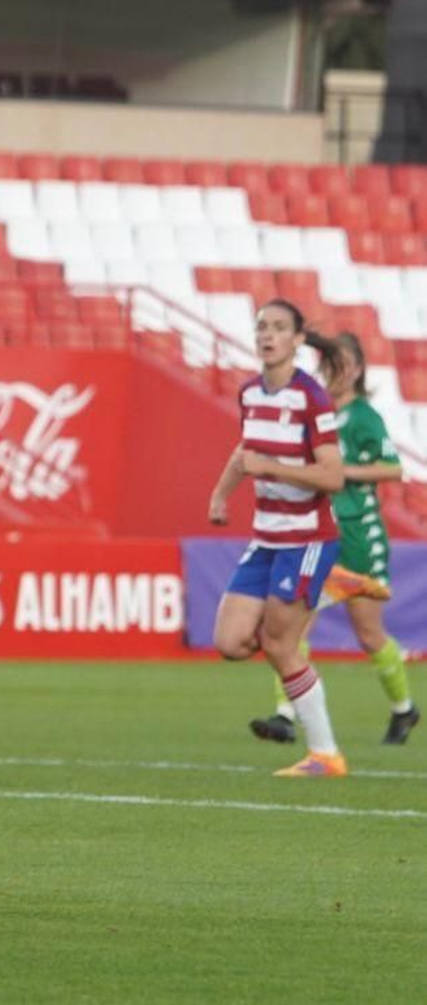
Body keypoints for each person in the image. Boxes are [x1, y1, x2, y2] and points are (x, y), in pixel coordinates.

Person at [248, 330, 417, 746]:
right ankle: (285, 714)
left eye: (341, 363)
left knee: (368, 634)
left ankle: (404, 709)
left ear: (357, 369)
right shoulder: (314, 411)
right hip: (315, 534)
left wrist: (342, 474)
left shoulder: (363, 417)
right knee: (291, 630)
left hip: (359, 536)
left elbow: (393, 469)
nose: (332, 370)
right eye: (328, 363)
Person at [209, 299, 349, 777]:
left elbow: (333, 476)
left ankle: (325, 755)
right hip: (266, 537)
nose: (267, 335)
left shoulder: (311, 398)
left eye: (278, 328)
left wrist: (270, 468)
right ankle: (320, 598)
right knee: (230, 641)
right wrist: (221, 495)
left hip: (307, 538)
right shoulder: (251, 394)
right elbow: (245, 450)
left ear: (296, 340)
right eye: (261, 327)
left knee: (279, 644)